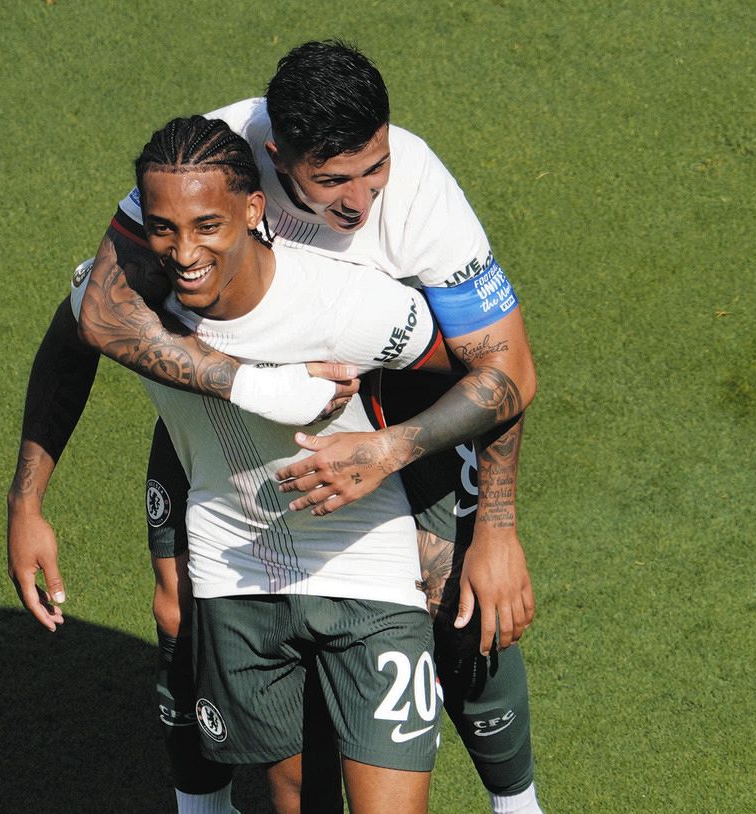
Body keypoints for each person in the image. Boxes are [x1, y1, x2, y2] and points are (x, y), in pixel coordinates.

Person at [8, 41, 542, 814]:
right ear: (272, 164)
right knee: (180, 612)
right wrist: (29, 500)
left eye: (375, 168)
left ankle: (517, 803)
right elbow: (99, 316)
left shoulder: (417, 197)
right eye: (332, 181)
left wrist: (485, 521)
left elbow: (504, 371)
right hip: (219, 415)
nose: (361, 203)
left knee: (462, 598)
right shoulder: (205, 171)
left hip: (392, 401)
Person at [113, 114, 454, 814]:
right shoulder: (126, 307)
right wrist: (27, 501)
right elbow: (74, 341)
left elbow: (489, 370)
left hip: (369, 566)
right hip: (238, 573)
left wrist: (400, 460)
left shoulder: (350, 304)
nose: (184, 251)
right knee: (295, 795)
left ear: (252, 210)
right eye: (164, 228)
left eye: (207, 225)